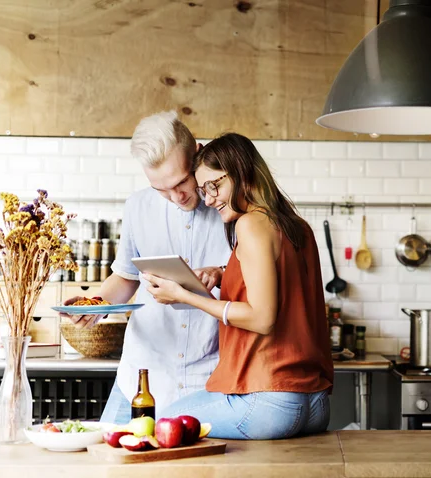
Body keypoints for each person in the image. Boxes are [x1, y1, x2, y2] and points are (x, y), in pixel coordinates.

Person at [142, 133, 334, 440]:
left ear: (241, 171)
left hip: (269, 400)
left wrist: (184, 295)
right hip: (314, 403)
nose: (208, 199)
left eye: (213, 186)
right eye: (203, 190)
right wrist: (223, 273)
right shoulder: (296, 225)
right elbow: (280, 281)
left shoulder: (250, 223)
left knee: (165, 421)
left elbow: (262, 318)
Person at [61, 111, 231, 424]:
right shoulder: (138, 206)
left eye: (182, 181)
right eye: (161, 189)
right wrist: (96, 306)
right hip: (142, 376)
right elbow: (126, 278)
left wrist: (221, 271)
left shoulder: (230, 207)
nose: (176, 196)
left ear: (198, 153)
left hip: (211, 380)